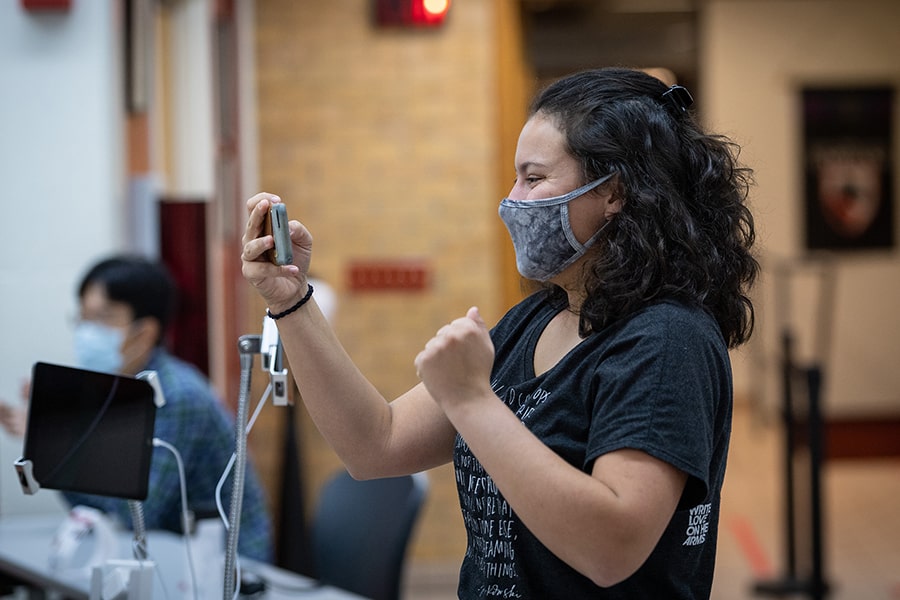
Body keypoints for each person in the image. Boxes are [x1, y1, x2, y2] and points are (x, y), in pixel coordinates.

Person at [240, 67, 759, 598]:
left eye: (533, 179)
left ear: (615, 192)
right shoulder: (533, 321)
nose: (511, 201)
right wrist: (292, 302)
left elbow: (612, 548)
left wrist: (472, 400)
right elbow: (376, 444)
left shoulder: (667, 340)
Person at [0, 255, 273, 563]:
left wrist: (54, 443)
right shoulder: (115, 389)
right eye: (83, 318)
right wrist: (50, 438)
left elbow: (137, 514)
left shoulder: (176, 396)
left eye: (103, 318)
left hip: (227, 568)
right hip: (165, 554)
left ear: (144, 332)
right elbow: (95, 509)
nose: (88, 332)